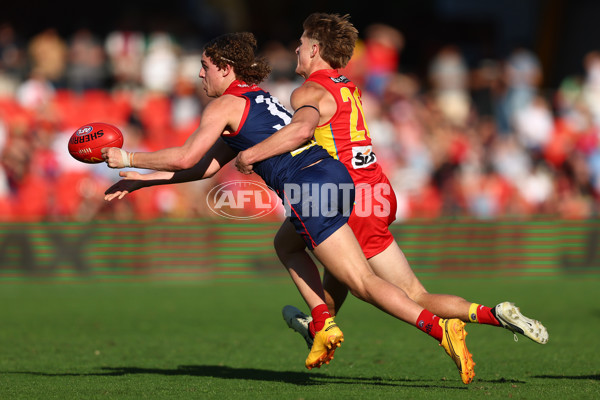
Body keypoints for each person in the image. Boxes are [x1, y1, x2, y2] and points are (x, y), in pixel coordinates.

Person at [103, 31, 475, 384]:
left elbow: (186, 156)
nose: (200, 73)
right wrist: (140, 179)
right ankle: (323, 321)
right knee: (286, 245)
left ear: (225, 68)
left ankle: (439, 327)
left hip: (308, 186)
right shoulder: (253, 98)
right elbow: (206, 167)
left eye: (205, 65)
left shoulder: (225, 104)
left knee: (361, 282)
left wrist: (127, 156)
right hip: (333, 175)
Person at [234, 11, 548, 369]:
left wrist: (253, 153)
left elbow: (302, 130)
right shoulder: (346, 84)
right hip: (375, 191)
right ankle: (494, 314)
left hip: (343, 198)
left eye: (302, 43)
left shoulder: (308, 90)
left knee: (358, 281)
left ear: (316, 48)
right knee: (395, 286)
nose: (296, 48)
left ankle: (342, 324)